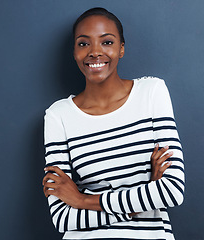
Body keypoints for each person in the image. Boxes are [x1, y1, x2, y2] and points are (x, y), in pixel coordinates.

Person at [42, 7, 184, 240]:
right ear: (74, 52)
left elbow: (172, 191)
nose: (95, 52)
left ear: (121, 48)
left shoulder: (151, 92)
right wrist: (142, 201)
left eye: (106, 42)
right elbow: (62, 218)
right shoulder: (59, 115)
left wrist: (82, 200)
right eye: (83, 44)